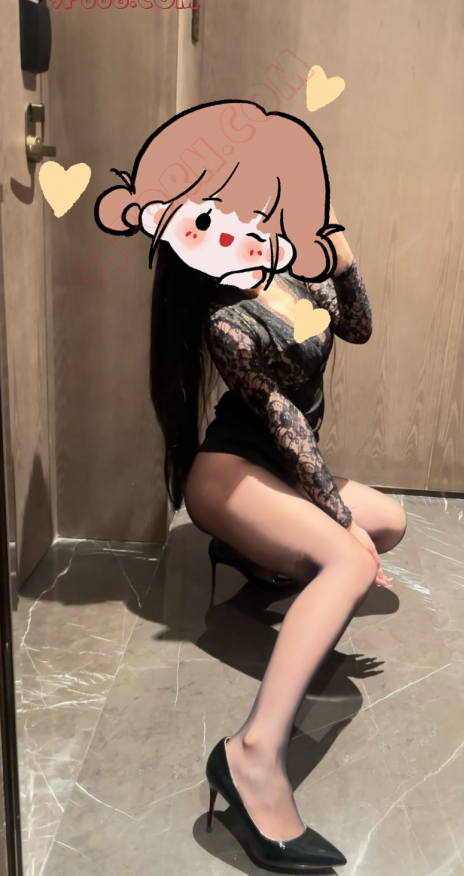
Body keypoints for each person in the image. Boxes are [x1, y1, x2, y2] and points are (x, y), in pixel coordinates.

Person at [94, 100, 407, 871]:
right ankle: (251, 757)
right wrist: (339, 525)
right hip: (231, 472)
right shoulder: (226, 321)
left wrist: (343, 257)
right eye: (215, 216)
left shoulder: (297, 274)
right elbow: (284, 422)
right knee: (350, 559)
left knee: (390, 522)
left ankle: (258, 556)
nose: (244, 227)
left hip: (280, 472)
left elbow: (359, 325)